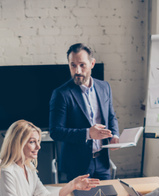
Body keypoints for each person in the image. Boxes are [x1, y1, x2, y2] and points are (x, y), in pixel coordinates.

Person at [0, 119, 100, 196]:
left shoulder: (28, 167)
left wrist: (72, 185)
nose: (38, 147)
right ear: (17, 144)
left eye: (38, 141)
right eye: (32, 142)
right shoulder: (6, 172)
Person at [49, 43, 119, 181]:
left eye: (82, 65)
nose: (77, 71)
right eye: (73, 65)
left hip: (102, 162)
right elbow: (55, 131)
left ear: (92, 63)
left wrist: (114, 135)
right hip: (77, 166)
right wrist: (88, 133)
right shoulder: (61, 94)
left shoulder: (104, 87)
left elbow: (111, 116)